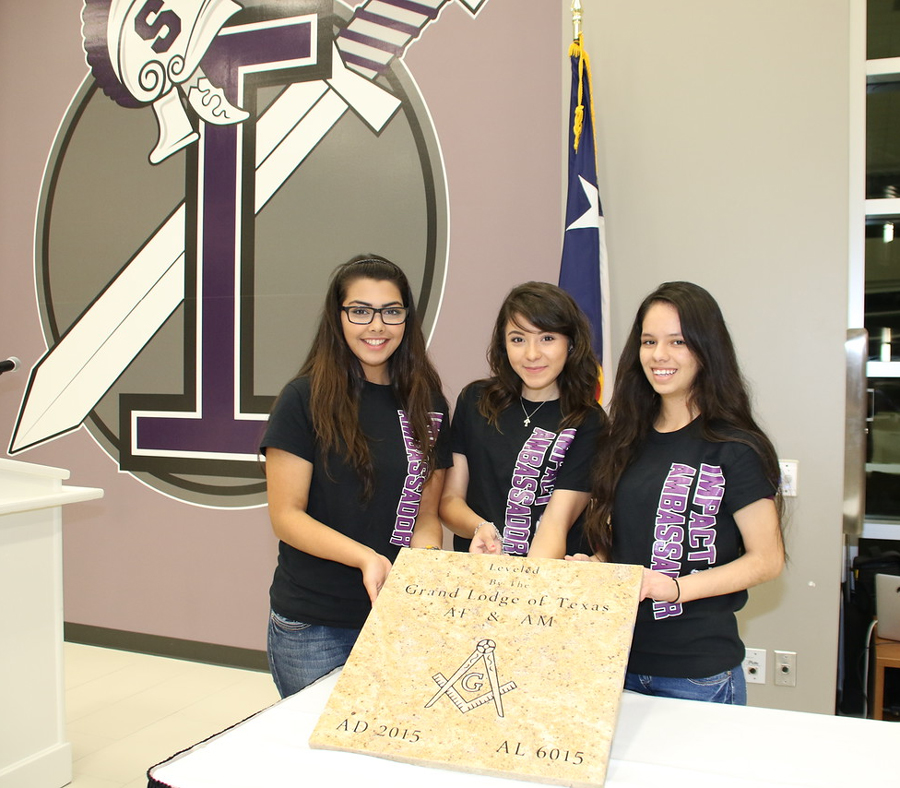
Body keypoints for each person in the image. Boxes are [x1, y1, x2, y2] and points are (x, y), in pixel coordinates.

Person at [574, 281, 784, 705]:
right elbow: (629, 543)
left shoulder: (735, 446)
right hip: (616, 663)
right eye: (649, 341)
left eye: (678, 342)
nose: (659, 355)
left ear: (707, 351)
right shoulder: (624, 439)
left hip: (698, 674)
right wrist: (597, 565)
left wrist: (674, 588)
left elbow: (767, 560)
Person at [261, 255, 451, 697]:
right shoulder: (303, 398)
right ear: (338, 316)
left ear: (406, 318)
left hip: (397, 618)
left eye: (392, 311)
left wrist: (418, 573)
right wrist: (366, 558)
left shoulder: (429, 401)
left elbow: (426, 516)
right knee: (321, 763)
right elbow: (286, 516)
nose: (377, 326)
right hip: (315, 625)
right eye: (360, 311)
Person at [440, 281, 607, 558]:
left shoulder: (588, 420)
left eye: (547, 338)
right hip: (478, 576)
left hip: (546, 579)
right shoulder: (475, 400)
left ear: (572, 343)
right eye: (518, 339)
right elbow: (449, 500)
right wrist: (481, 528)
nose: (531, 354)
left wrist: (524, 587)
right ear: (503, 345)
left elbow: (556, 523)